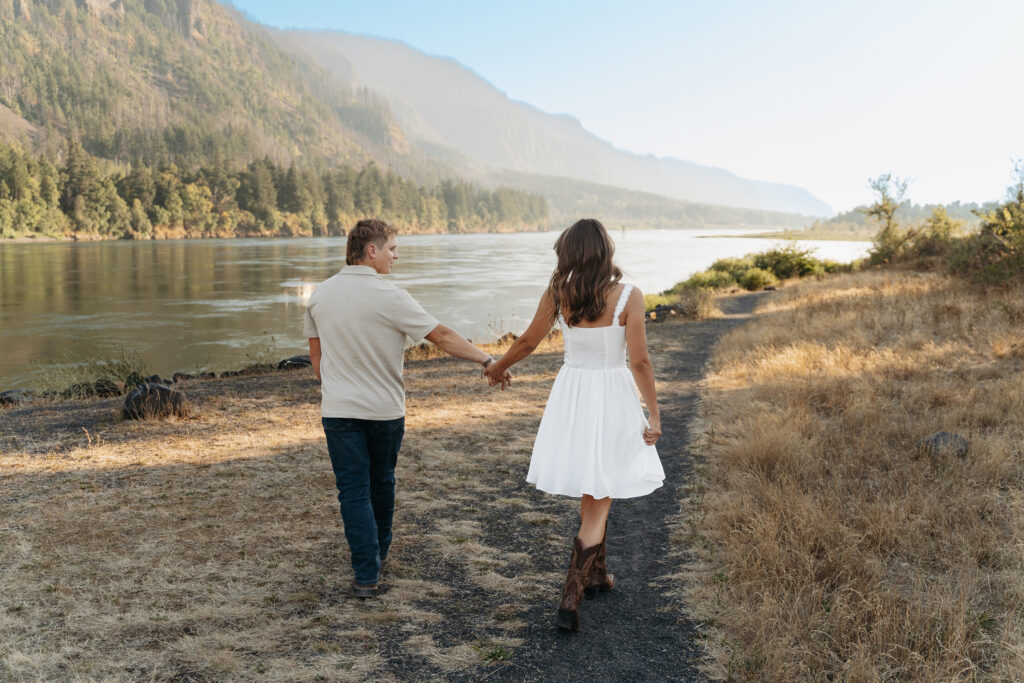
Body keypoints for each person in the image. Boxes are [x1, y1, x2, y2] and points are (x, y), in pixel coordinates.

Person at [304, 218, 510, 598]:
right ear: (372, 251)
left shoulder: (320, 295)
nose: (396, 256)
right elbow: (443, 336)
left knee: (352, 490)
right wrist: (487, 361)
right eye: (392, 249)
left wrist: (335, 389)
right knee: (381, 481)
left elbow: (316, 358)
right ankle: (377, 554)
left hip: (339, 410)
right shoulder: (392, 297)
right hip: (384, 411)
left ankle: (366, 574)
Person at [483, 218, 664, 632]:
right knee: (600, 493)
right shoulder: (629, 295)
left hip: (573, 396)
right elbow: (639, 362)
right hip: (612, 394)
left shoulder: (559, 293)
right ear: (605, 251)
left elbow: (528, 341)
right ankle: (570, 597)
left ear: (569, 254)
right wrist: (653, 413)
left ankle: (597, 575)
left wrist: (498, 368)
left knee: (597, 484)